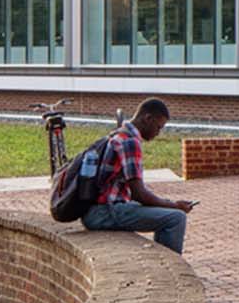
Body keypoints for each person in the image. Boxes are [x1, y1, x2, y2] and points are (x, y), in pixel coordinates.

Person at [81, 98, 199, 254]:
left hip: (97, 210)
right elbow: (139, 194)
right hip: (105, 212)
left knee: (168, 213)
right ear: (148, 118)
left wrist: (166, 203)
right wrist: (174, 206)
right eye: (158, 127)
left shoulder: (118, 135)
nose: (158, 133)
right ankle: (167, 270)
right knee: (175, 218)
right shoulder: (130, 142)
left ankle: (162, 262)